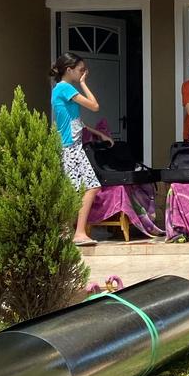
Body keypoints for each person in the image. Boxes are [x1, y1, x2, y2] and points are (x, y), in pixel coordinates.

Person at [50, 53, 114, 246]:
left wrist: (98, 133)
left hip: (73, 147)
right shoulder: (64, 88)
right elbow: (94, 106)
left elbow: (76, 121)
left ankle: (72, 232)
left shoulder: (62, 89)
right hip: (69, 148)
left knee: (85, 187)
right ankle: (75, 233)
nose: (83, 73)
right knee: (86, 187)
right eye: (80, 70)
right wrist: (84, 84)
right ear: (69, 70)